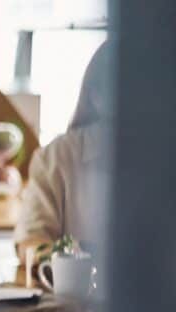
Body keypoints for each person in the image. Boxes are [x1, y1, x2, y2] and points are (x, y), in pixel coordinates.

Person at [14, 41, 110, 257]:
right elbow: (31, 242)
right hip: (75, 290)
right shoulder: (56, 158)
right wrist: (75, 261)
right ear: (95, 97)